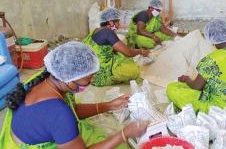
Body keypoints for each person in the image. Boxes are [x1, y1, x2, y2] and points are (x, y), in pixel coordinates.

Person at [0, 42, 149, 149]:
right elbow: (64, 116)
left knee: (96, 134)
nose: (92, 81)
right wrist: (124, 133)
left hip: (33, 134)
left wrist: (109, 105)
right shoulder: (59, 114)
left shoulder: (46, 79)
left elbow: (73, 110)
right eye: (87, 78)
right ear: (67, 78)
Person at [166, 19, 226, 127]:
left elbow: (196, 86)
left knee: (172, 88)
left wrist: (186, 79)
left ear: (212, 40)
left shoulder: (211, 60)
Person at [83, 8, 149, 87]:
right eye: (117, 21)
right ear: (111, 22)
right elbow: (128, 53)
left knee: (121, 55)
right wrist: (141, 51)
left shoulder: (95, 31)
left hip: (91, 72)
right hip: (101, 76)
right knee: (135, 71)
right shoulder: (108, 32)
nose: (119, 25)